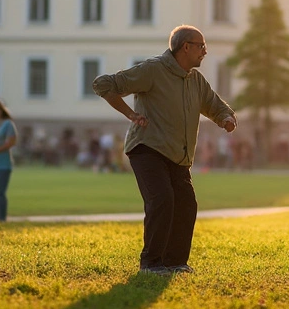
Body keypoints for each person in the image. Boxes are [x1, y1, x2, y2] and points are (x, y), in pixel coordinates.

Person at [92, 25, 236, 275]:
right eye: (201, 45)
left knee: (186, 205)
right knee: (162, 200)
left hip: (178, 155)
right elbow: (104, 85)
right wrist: (130, 113)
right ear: (185, 47)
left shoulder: (195, 80)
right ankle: (151, 263)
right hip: (147, 148)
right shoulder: (153, 70)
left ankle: (175, 262)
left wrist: (226, 118)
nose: (205, 51)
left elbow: (214, 104)